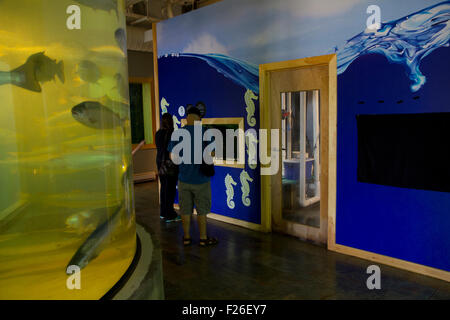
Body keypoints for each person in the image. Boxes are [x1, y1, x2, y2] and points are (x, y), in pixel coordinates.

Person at [168, 103, 218, 247]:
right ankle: (203, 239)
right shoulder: (205, 132)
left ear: (187, 118)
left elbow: (172, 156)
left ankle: (187, 238)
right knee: (202, 210)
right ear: (199, 118)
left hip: (183, 179)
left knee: (185, 210)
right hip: (201, 180)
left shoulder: (178, 133)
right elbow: (213, 153)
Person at [156, 113, 180, 223]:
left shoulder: (157, 134)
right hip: (170, 164)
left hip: (160, 163)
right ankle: (170, 215)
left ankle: (163, 213)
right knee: (170, 189)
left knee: (164, 187)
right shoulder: (172, 134)